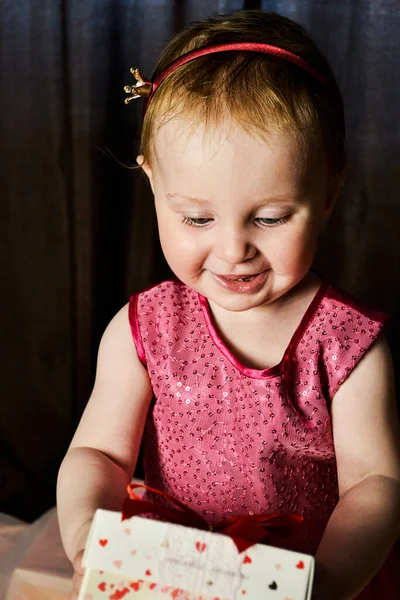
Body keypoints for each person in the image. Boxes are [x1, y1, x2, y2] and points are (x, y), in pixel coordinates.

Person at [56, 10, 400, 600]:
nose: (234, 249)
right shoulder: (145, 329)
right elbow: (101, 452)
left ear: (329, 192)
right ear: (153, 186)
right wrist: (88, 535)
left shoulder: (347, 345)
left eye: (269, 218)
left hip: (310, 578)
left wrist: (331, 582)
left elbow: (374, 482)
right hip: (175, 574)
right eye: (196, 217)